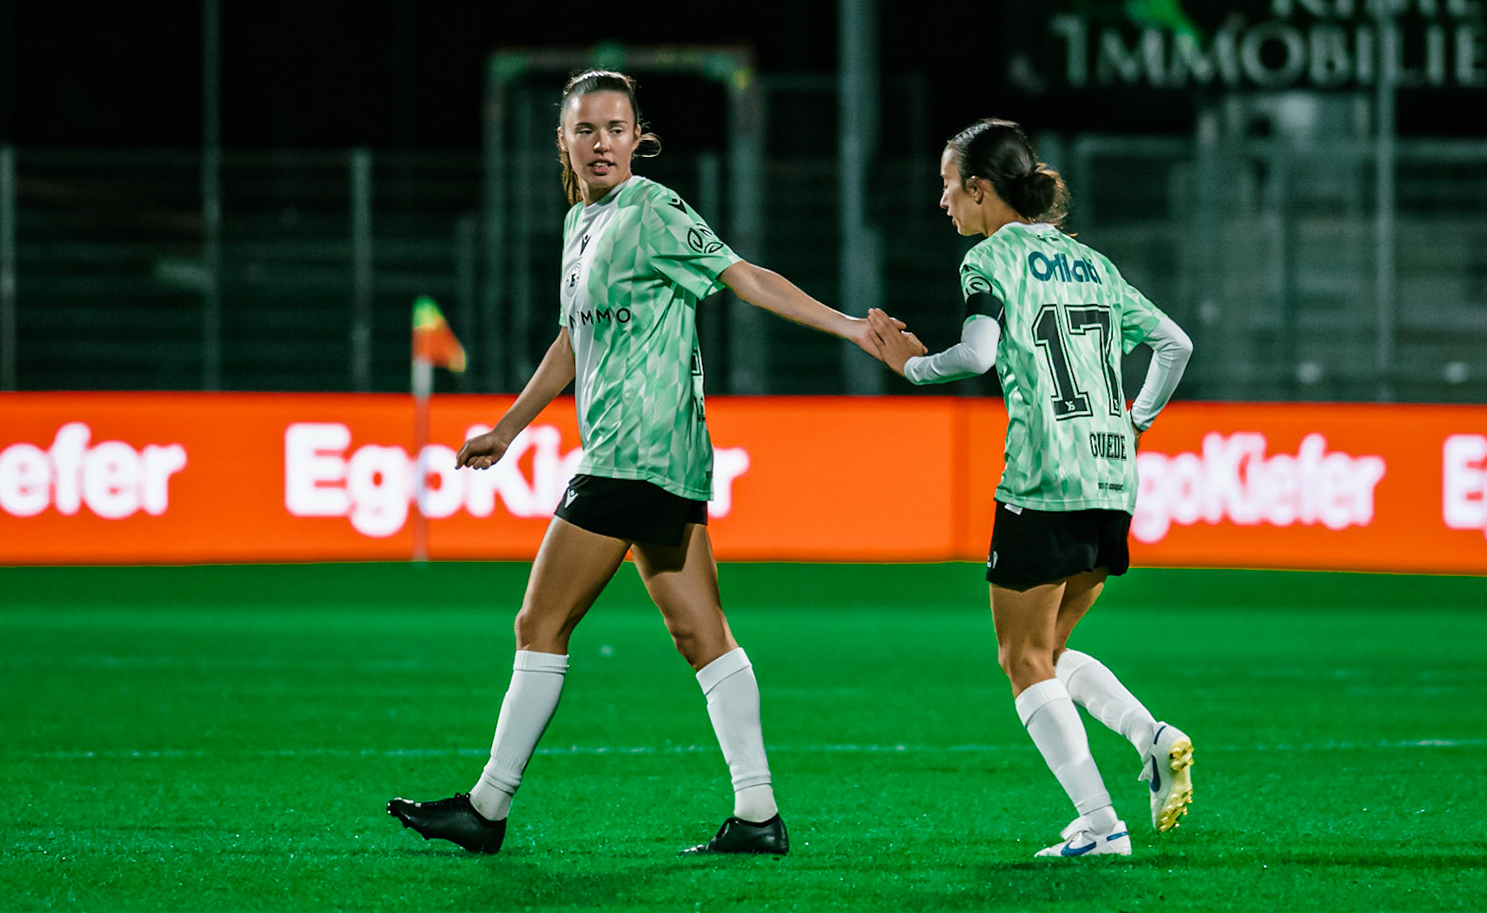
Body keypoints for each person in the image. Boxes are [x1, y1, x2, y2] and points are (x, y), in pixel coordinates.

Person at [390, 69, 890, 857]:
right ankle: (758, 815)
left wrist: (851, 328)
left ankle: (487, 807)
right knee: (702, 634)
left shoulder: (652, 208)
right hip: (661, 458)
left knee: (540, 621)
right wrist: (511, 427)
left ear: (637, 137)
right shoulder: (578, 225)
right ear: (562, 140)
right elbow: (571, 342)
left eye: (616, 129)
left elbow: (742, 276)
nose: (601, 144)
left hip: (635, 452)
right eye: (585, 129)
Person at [868, 119, 1196, 858]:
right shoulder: (1092, 264)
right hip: (1113, 475)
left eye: (950, 186)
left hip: (1044, 476)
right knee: (1044, 652)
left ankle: (1101, 824)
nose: (944, 202)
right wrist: (1135, 419)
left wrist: (913, 367)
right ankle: (1150, 737)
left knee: (1020, 661)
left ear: (981, 189)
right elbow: (1176, 343)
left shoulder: (992, 259)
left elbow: (978, 352)